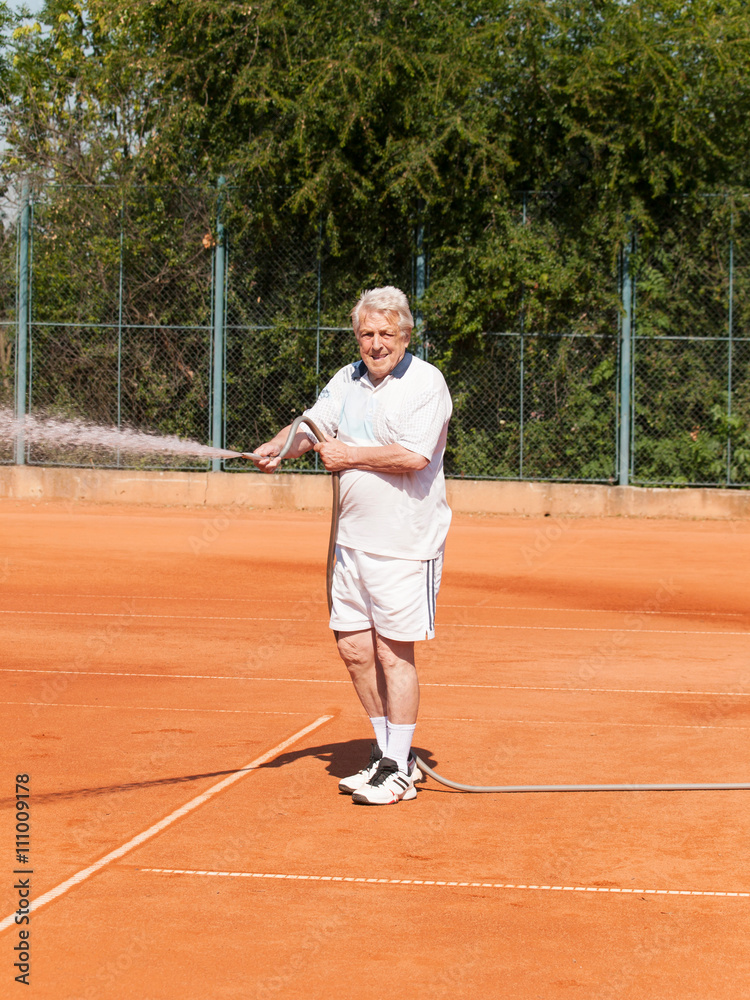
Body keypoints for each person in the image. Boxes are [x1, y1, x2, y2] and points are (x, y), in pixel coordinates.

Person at [253, 286, 452, 805]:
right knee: (354, 648)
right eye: (367, 333)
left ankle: (399, 768)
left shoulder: (426, 382)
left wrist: (349, 455)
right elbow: (313, 428)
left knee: (392, 653)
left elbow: (413, 457)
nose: (376, 343)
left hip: (405, 544)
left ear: (405, 335)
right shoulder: (347, 379)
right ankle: (389, 755)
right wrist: (281, 446)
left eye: (387, 333)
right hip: (351, 544)